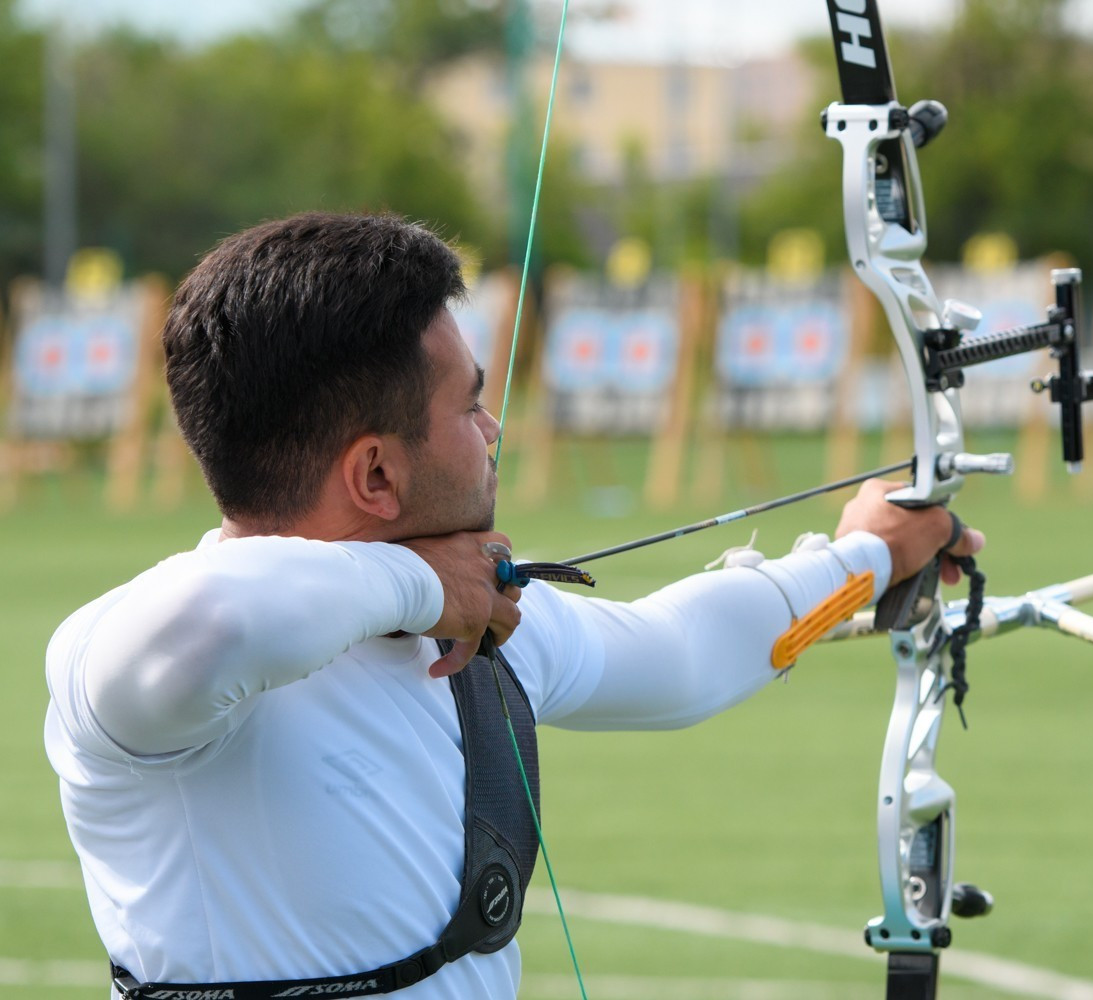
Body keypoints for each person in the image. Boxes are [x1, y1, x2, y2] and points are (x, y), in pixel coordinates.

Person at [44, 212, 982, 999]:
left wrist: (867, 555)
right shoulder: (127, 676)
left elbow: (684, 652)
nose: (494, 433)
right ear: (376, 470)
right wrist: (421, 585)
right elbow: (212, 623)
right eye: (471, 407)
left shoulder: (472, 625)